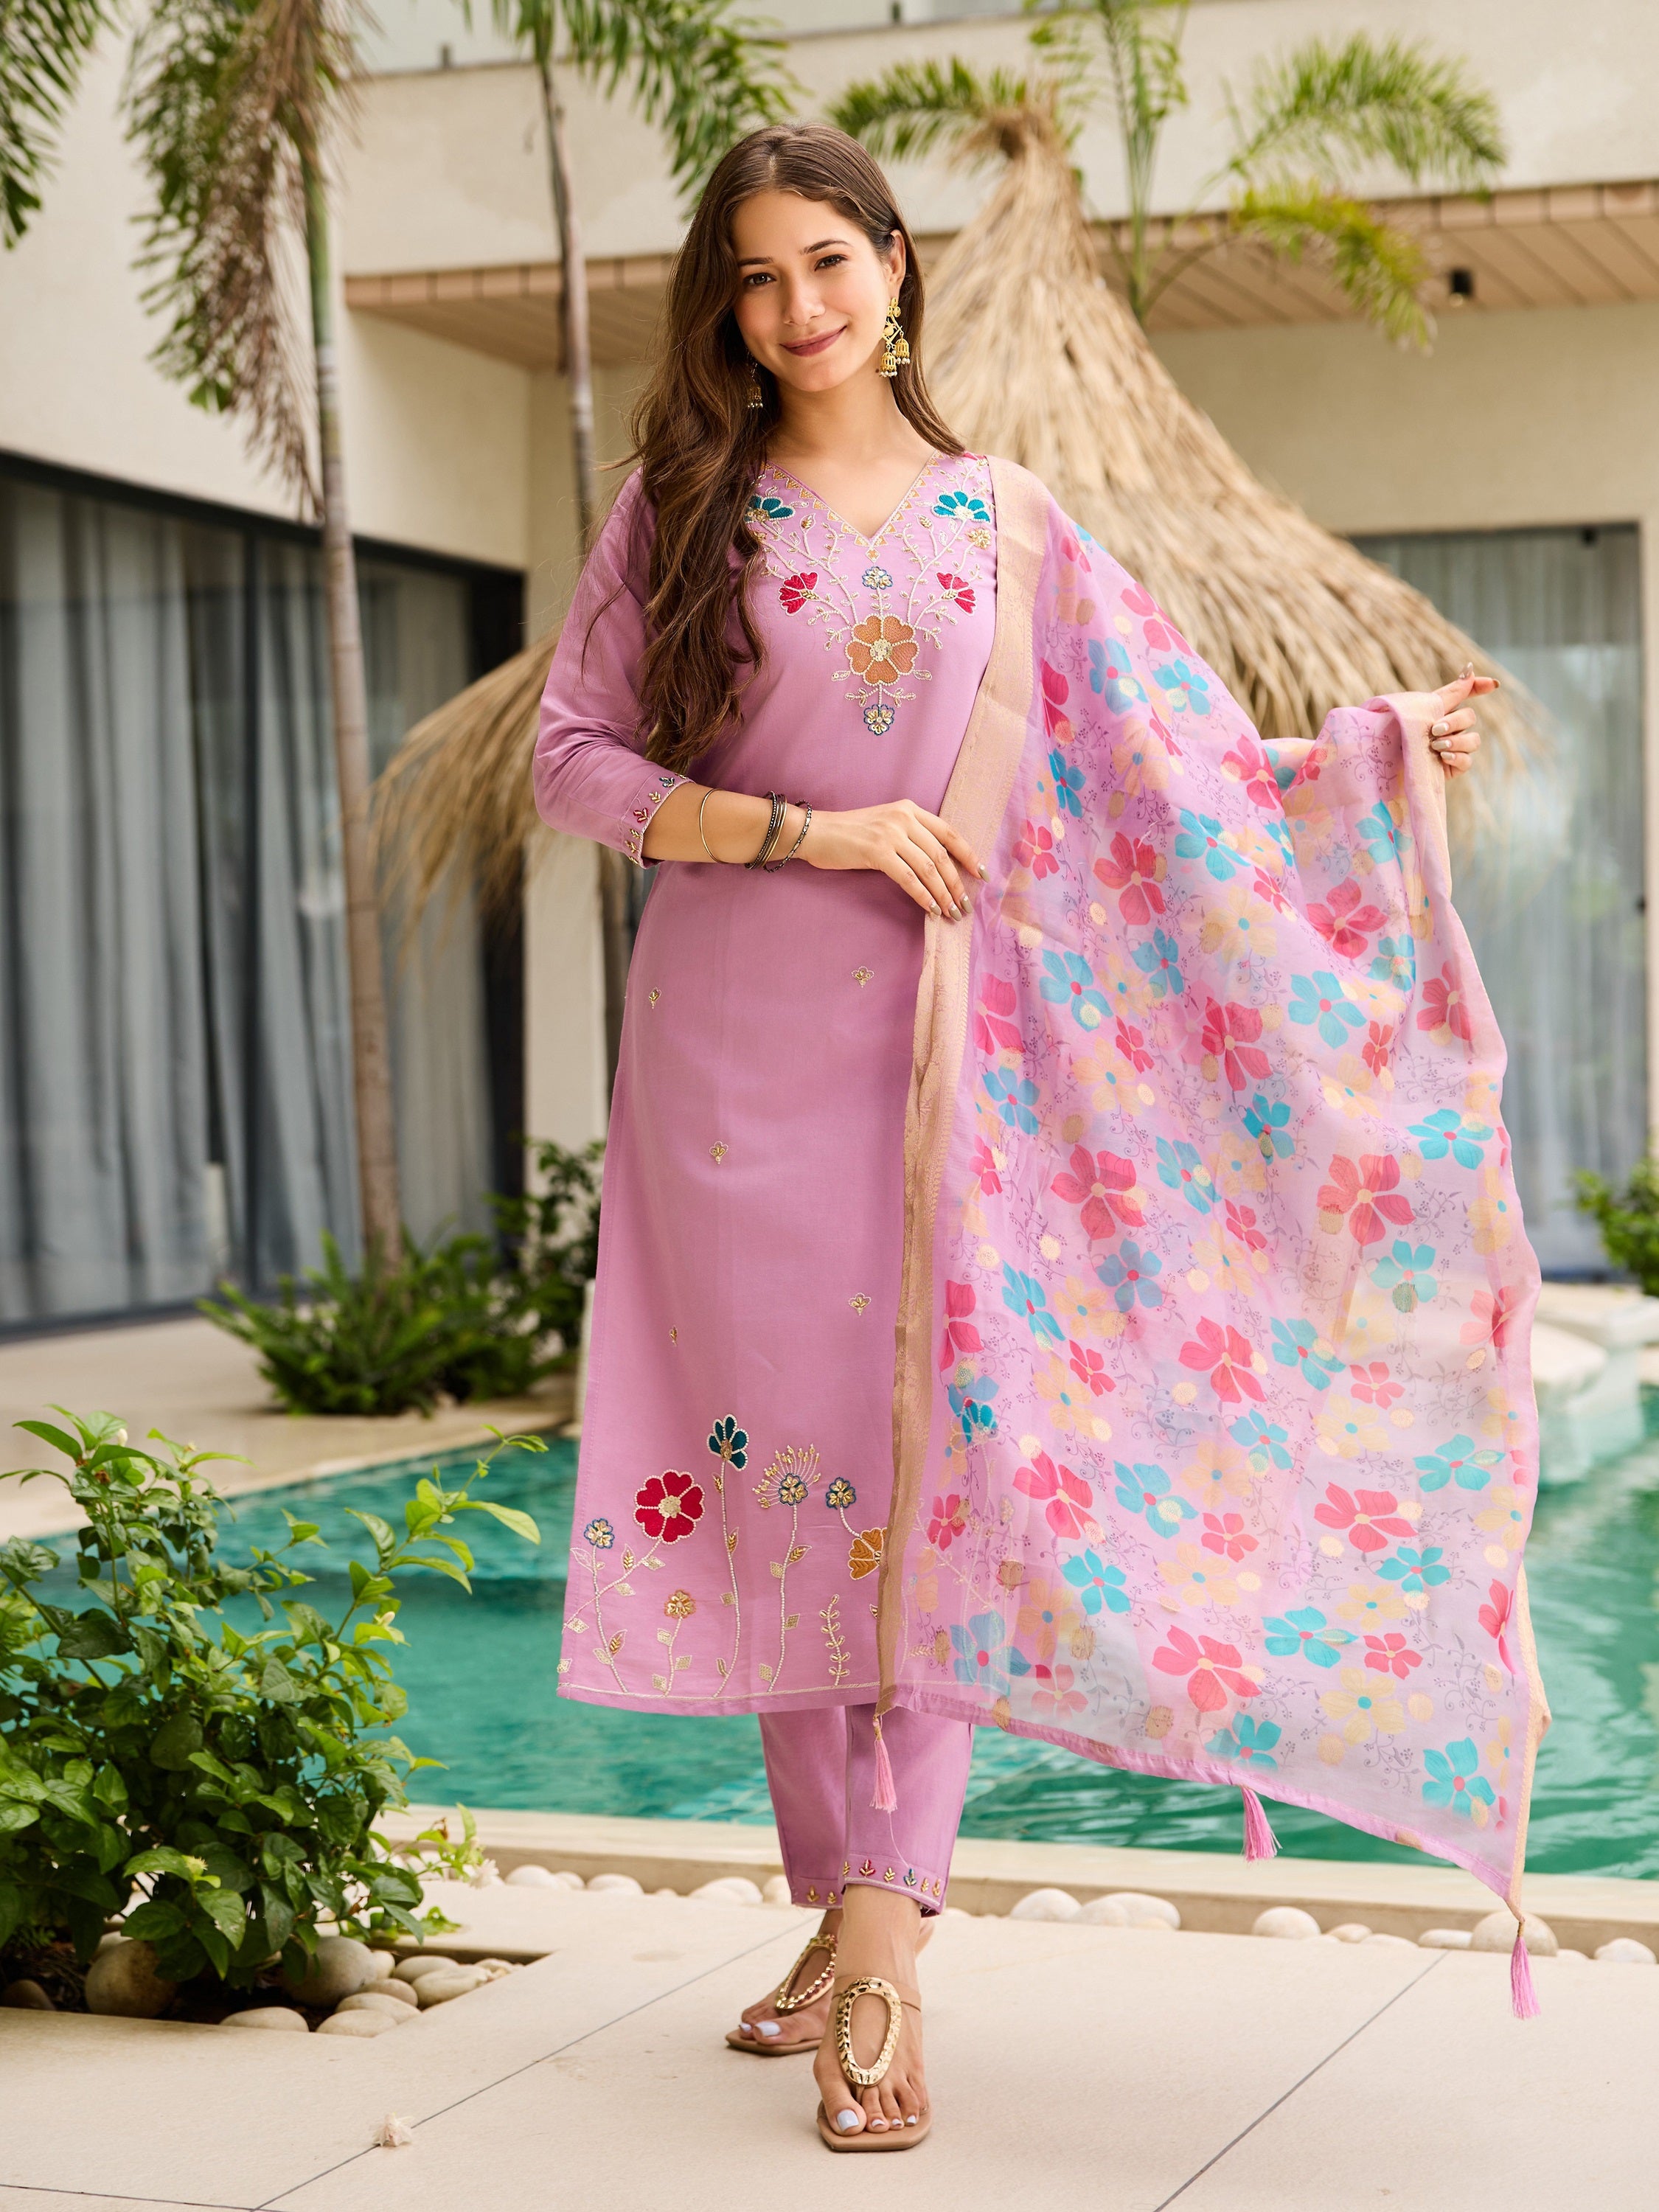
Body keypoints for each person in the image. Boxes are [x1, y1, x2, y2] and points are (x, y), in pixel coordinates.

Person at [532, 122, 1493, 2152]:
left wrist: (1370, 752)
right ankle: (838, 1903)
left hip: (962, 1060)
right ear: (728, 309)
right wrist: (812, 829)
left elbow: (1179, 759)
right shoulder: (686, 509)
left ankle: (883, 1945)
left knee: (954, 1469)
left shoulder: (1012, 521)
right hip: (727, 1053)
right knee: (783, 1474)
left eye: (831, 260)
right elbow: (576, 763)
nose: (800, 306)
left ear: (895, 265)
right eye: (758, 278)